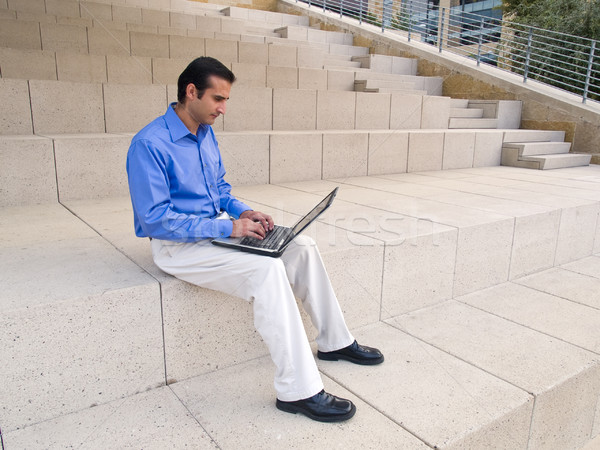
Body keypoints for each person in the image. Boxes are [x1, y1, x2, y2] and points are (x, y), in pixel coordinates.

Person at [126, 57, 384, 423]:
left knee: (302, 247)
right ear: (190, 92)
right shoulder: (149, 145)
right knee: (266, 271)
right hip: (178, 248)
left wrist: (243, 212)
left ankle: (335, 342)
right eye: (218, 99)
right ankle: (298, 391)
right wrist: (227, 228)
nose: (223, 109)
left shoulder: (205, 132)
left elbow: (219, 190)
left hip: (217, 231)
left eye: (226, 100)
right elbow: (154, 220)